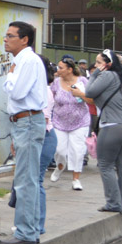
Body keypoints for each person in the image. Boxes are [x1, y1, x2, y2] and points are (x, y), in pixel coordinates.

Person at [0, 21, 47, 244]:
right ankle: (29, 229)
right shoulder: (24, 60)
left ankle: (26, 232)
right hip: (24, 122)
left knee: (25, 180)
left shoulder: (27, 60)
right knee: (26, 178)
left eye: (10, 36)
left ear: (24, 39)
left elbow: (17, 93)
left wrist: (9, 78)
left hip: (27, 121)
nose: (5, 39)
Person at [76, 50, 122, 213]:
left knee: (105, 165)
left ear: (107, 65)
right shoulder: (121, 78)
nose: (95, 66)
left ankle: (113, 203)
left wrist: (95, 73)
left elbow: (89, 92)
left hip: (113, 126)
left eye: (98, 62)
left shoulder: (106, 76)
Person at [49, 57, 90, 191]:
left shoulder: (82, 81)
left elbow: (91, 99)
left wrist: (80, 94)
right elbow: (51, 99)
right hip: (59, 121)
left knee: (77, 151)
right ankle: (60, 166)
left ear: (70, 70)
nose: (58, 70)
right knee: (59, 150)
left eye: (61, 68)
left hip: (80, 121)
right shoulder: (55, 83)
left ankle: (76, 179)